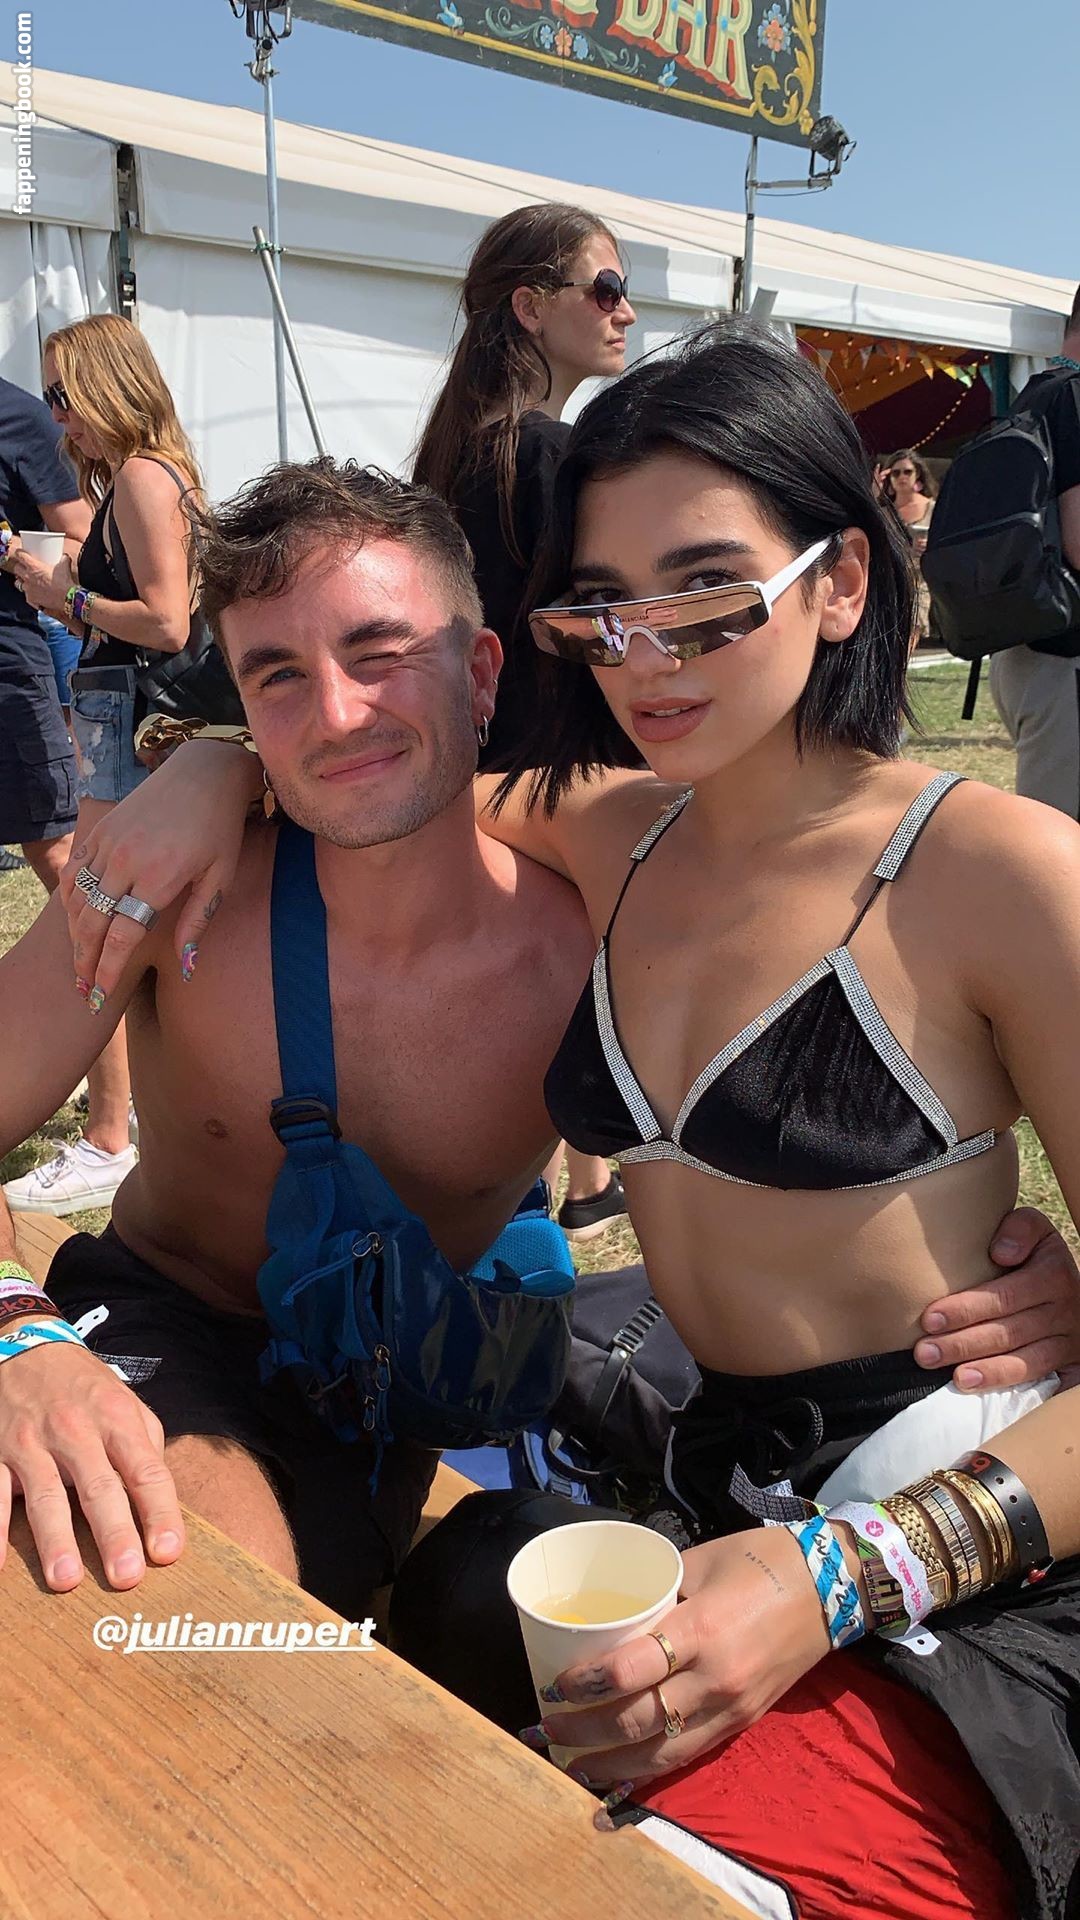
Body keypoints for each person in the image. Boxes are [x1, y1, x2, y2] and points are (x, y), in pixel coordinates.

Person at [381, 323, 1080, 1915]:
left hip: (974, 1535)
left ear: (842, 582)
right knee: (436, 1638)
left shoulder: (997, 871)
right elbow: (368, 794)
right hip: (717, 1478)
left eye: (707, 593)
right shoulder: (611, 829)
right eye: (601, 606)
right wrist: (195, 779)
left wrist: (839, 1575)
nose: (645, 656)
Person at [0, 457, 598, 1621]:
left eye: (379, 653)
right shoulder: (167, 890)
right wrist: (19, 1338)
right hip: (167, 1321)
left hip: (392, 1390)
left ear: (481, 672)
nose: (335, 714)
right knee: (172, 1583)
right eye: (277, 675)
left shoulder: (586, 951)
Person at [414, 202, 638, 1240]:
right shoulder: (549, 456)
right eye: (607, 287)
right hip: (562, 785)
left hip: (482, 787)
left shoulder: (457, 454)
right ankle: (569, 1195)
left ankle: (570, 1192)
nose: (625, 311)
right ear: (531, 305)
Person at [7, 316, 204, 1217]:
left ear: (106, 385)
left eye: (64, 395)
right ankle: (135, 1131)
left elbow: (166, 622)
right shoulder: (149, 474)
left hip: (129, 723)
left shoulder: (141, 477)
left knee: (102, 923)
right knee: (122, 925)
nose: (57, 418)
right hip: (127, 721)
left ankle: (109, 1137)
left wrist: (68, 595)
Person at [990, 289, 1080, 816]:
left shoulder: (1036, 395)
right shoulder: (1073, 398)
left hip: (1028, 650)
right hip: (1063, 664)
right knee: (1064, 842)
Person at [0, 372, 90, 892]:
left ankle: (110, 949)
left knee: (55, 841)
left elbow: (82, 543)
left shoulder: (20, 418)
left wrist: (10, 551)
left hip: (7, 666)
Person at [885, 447, 936, 641]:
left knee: (914, 628)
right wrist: (873, 492)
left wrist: (930, 544)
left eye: (907, 471)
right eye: (895, 473)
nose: (901, 477)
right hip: (891, 580)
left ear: (917, 474)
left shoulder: (932, 507)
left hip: (921, 579)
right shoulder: (884, 512)